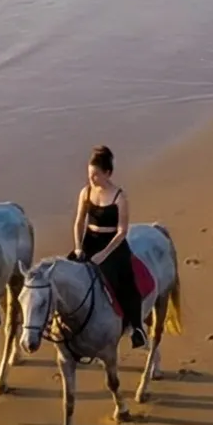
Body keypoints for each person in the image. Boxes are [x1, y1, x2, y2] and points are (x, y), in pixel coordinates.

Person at [73, 145, 143, 348]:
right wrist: (78, 247)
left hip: (112, 246)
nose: (91, 179)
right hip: (88, 242)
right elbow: (78, 222)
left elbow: (122, 232)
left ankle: (136, 328)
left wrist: (103, 255)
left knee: (127, 284)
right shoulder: (85, 192)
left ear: (108, 173)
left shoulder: (119, 197)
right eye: (89, 174)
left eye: (96, 175)